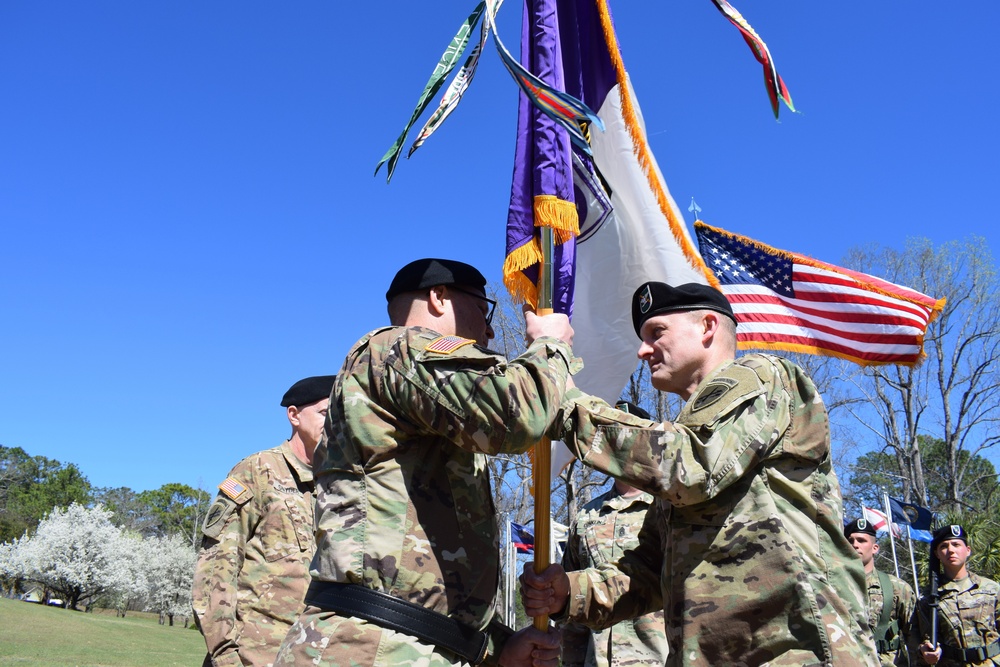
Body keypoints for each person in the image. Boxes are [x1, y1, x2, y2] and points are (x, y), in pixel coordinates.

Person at [522, 281, 877, 666]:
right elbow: (649, 570)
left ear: (708, 326)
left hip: (794, 652)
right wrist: (568, 593)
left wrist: (568, 404)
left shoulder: (761, 377)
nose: (643, 350)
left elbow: (691, 466)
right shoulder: (683, 437)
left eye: (656, 333)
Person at [275, 258, 572, 667]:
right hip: (370, 648)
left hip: (406, 644)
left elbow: (427, 584)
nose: (488, 330)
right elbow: (519, 417)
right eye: (484, 310)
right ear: (438, 297)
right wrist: (550, 345)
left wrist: (498, 647)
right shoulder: (395, 347)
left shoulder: (426, 398)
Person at [192, 375, 335, 667]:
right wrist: (225, 655)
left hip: (312, 654)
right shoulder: (258, 471)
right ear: (294, 416)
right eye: (325, 413)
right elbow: (216, 565)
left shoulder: (339, 485)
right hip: (251, 654)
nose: (334, 422)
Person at [559, 401, 668, 667]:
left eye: (626, 437)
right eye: (611, 436)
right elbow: (572, 610)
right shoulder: (587, 517)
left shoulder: (668, 508)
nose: (619, 446)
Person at [910, 524, 1000, 666]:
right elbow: (922, 636)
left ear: (968, 550)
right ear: (937, 554)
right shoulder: (929, 597)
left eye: (956, 544)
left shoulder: (992, 589)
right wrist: (925, 650)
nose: (951, 550)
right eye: (944, 546)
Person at [844, 517, 915, 666]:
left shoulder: (896, 587)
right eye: (850, 541)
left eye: (861, 541)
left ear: (875, 548)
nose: (855, 545)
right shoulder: (834, 586)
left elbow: (915, 634)